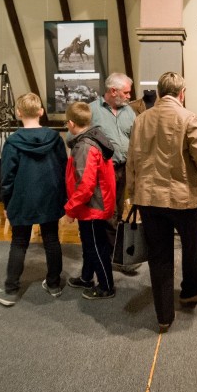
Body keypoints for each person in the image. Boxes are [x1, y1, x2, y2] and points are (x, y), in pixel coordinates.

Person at [125, 72, 197, 332]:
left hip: (149, 198)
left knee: (159, 257)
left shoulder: (141, 120)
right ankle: (191, 291)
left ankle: (164, 316)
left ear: (160, 90)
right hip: (184, 198)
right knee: (190, 248)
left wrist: (133, 194)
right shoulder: (189, 118)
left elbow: (132, 160)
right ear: (182, 93)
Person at [0, 93, 67, 307]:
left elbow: (7, 176)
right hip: (50, 197)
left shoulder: (13, 142)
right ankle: (53, 284)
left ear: (18, 113)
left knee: (19, 242)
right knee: (51, 239)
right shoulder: (55, 138)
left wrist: (6, 202)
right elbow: (63, 168)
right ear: (41, 111)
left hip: (22, 198)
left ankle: (11, 290)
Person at [64, 101, 117, 300]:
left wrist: (70, 209)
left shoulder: (85, 146)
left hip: (93, 205)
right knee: (89, 243)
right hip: (94, 204)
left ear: (70, 123)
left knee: (96, 246)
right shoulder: (92, 139)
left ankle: (106, 286)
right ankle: (86, 278)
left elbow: (85, 185)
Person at [89, 73, 137, 273]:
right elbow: (73, 138)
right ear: (112, 91)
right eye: (125, 92)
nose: (129, 96)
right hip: (103, 171)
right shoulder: (91, 111)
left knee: (117, 211)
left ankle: (114, 253)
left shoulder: (129, 112)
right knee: (108, 213)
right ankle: (114, 256)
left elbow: (135, 137)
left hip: (124, 169)